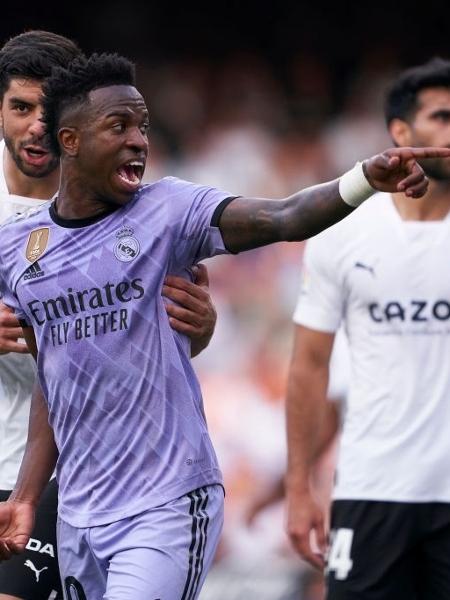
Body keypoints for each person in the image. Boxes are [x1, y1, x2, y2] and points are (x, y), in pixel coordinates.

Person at [0, 52, 446, 600]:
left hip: (164, 502)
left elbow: (284, 216)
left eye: (142, 126)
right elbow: (55, 378)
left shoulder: (167, 209)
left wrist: (363, 179)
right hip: (77, 512)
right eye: (119, 126)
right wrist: (25, 496)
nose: (139, 140)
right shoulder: (20, 249)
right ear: (70, 141)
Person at [0, 31, 217, 600]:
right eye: (21, 108)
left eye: (49, 111)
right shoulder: (10, 236)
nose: (36, 127)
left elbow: (165, 336)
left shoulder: (134, 207)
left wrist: (202, 327)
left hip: (72, 479)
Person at [285, 57, 450, 599]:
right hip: (371, 488)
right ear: (401, 132)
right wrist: (298, 487)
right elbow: (309, 366)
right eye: (443, 116)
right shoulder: (343, 233)